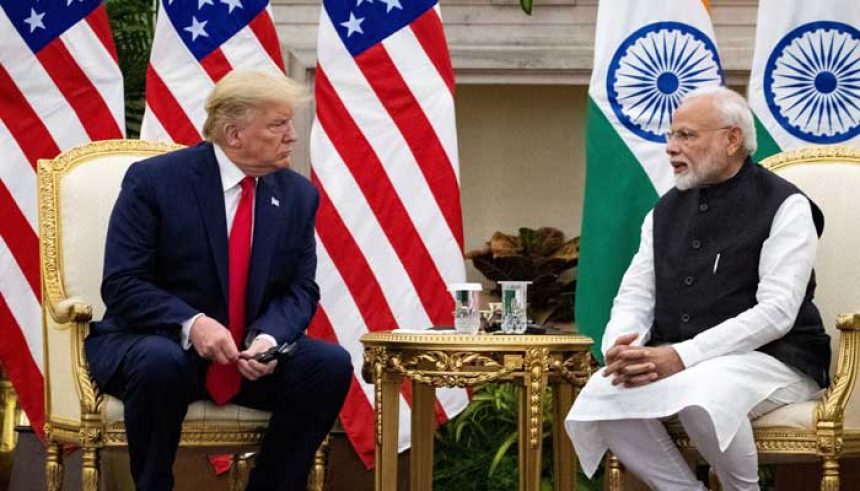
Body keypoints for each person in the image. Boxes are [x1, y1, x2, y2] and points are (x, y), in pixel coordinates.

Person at [85, 70, 352, 491]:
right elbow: (123, 283)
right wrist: (194, 323)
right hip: (158, 346)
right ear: (234, 133)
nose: (292, 137)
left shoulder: (298, 195)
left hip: (245, 358)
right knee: (161, 361)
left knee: (329, 365)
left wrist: (267, 339)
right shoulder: (155, 181)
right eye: (277, 124)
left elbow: (301, 289)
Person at [565, 86, 831, 490]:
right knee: (604, 395)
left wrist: (683, 356)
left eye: (686, 135)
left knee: (704, 394)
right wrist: (624, 346)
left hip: (777, 359)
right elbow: (637, 294)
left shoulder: (786, 205)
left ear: (732, 139)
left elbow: (777, 311)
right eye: (671, 136)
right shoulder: (664, 210)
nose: (671, 148)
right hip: (689, 360)